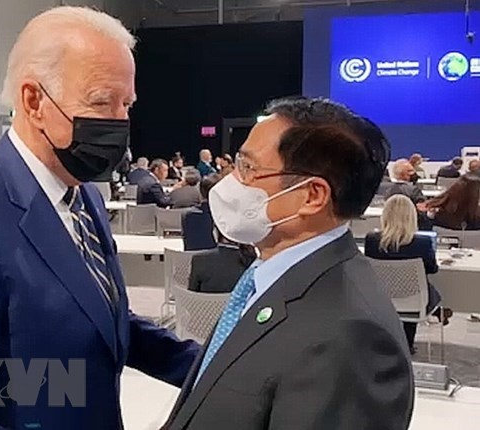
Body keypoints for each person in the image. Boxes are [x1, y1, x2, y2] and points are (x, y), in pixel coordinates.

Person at [0, 7, 199, 430]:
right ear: (33, 101)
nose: (120, 120)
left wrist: (212, 367)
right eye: (101, 101)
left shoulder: (83, 197)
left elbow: (101, 318)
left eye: (126, 104)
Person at [163, 97, 412, 430]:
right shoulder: (270, 276)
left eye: (248, 168)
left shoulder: (349, 338)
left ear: (312, 196)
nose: (231, 181)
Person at [365, 195, 450, 352]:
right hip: (415, 300)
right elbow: (432, 269)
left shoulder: (372, 240)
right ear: (411, 216)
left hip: (381, 298)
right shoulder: (422, 243)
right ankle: (408, 343)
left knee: (406, 289)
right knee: (416, 290)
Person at [188, 233, 256, 293]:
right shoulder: (253, 261)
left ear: (215, 233)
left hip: (203, 304)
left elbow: (191, 294)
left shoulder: (199, 260)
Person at [182, 173, 220, 251]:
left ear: (200, 192)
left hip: (191, 257)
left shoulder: (187, 215)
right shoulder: (224, 215)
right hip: (217, 258)